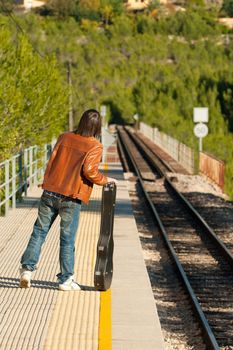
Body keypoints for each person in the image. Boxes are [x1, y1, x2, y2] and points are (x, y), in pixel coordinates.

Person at [19, 109, 117, 291]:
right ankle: (65, 280)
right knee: (67, 239)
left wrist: (47, 183)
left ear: (81, 122)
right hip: (71, 198)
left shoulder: (64, 137)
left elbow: (52, 162)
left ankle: (26, 270)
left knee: (39, 232)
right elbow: (90, 171)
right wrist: (105, 180)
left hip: (50, 192)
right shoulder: (95, 145)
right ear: (97, 127)